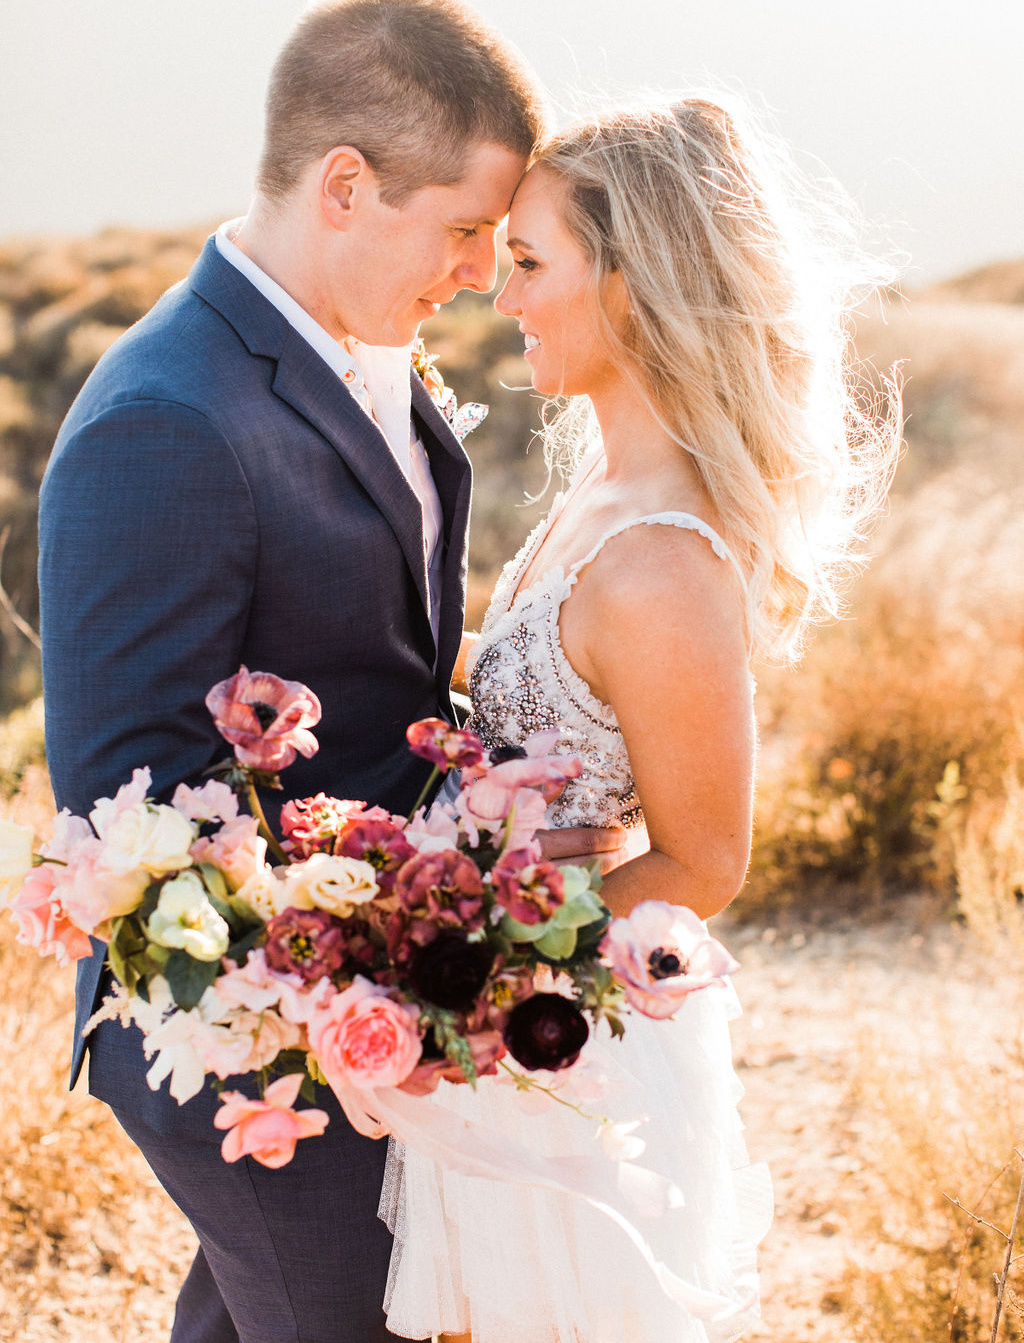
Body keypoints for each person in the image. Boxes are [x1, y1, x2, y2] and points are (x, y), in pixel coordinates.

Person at [35, 3, 568, 1340]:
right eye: (463, 228)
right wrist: (333, 1020)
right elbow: (132, 808)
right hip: (257, 1033)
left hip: (379, 1000)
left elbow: (384, 673)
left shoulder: (362, 350)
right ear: (345, 185)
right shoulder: (166, 418)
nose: (480, 273)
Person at [381, 97, 900, 1343]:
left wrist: (490, 972)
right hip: (511, 1004)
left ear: (630, 283)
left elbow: (704, 858)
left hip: (573, 1030)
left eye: (530, 261)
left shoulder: (663, 558)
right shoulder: (598, 494)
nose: (501, 293)